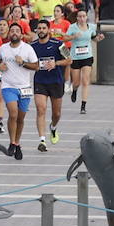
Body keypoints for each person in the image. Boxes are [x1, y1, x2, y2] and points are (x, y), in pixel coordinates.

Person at [0, 22, 38, 160]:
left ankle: (17, 143)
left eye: (17, 31)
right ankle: (12, 142)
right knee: (13, 113)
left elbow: (36, 66)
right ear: (8, 33)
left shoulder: (27, 49)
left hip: (24, 87)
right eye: (12, 30)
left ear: (21, 34)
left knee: (20, 117)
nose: (14, 33)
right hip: (8, 86)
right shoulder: (3, 48)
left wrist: (23, 63)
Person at [29, 19, 70, 152]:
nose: (41, 30)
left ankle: (53, 127)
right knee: (41, 109)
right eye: (39, 28)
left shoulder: (58, 44)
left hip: (56, 81)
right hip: (40, 81)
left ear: (48, 30)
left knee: (56, 113)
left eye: (43, 28)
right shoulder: (32, 46)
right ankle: (42, 140)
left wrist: (56, 63)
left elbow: (70, 59)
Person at [64, 8, 103, 115]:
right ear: (77, 18)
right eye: (79, 16)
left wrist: (99, 38)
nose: (81, 18)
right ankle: (75, 90)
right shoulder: (72, 27)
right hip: (75, 58)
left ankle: (83, 105)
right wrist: (73, 36)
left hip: (87, 56)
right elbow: (65, 39)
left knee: (85, 81)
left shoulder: (91, 27)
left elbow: (94, 38)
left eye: (83, 16)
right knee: (76, 83)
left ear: (86, 17)